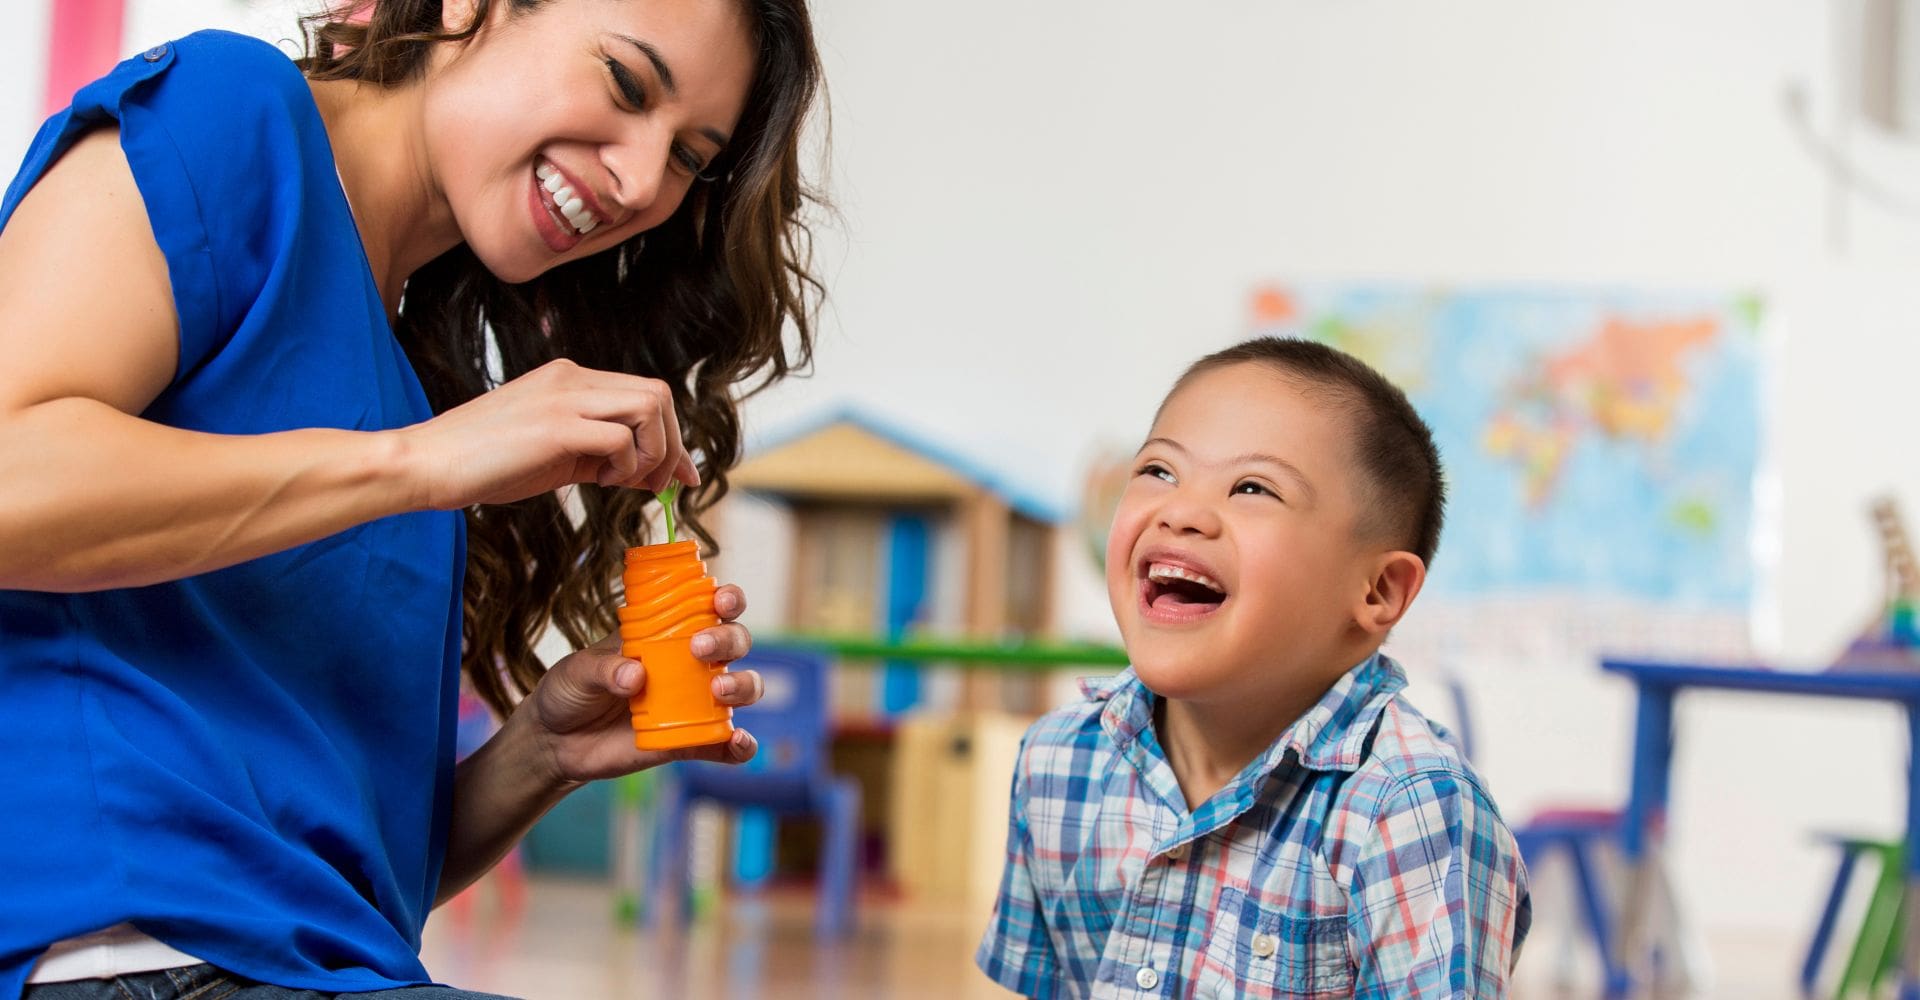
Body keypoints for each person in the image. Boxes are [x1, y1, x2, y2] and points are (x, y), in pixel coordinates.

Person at [0, 0, 824, 996]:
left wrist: (540, 753)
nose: (644, 181)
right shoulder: (236, 111)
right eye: (624, 83)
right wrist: (418, 462)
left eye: (690, 156)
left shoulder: (405, 371)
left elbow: (329, 870)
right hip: (124, 958)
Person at [975, 338, 1532, 999]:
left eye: (1251, 487)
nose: (1181, 512)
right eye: (1158, 471)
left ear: (1377, 591)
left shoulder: (1410, 809)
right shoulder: (1059, 763)